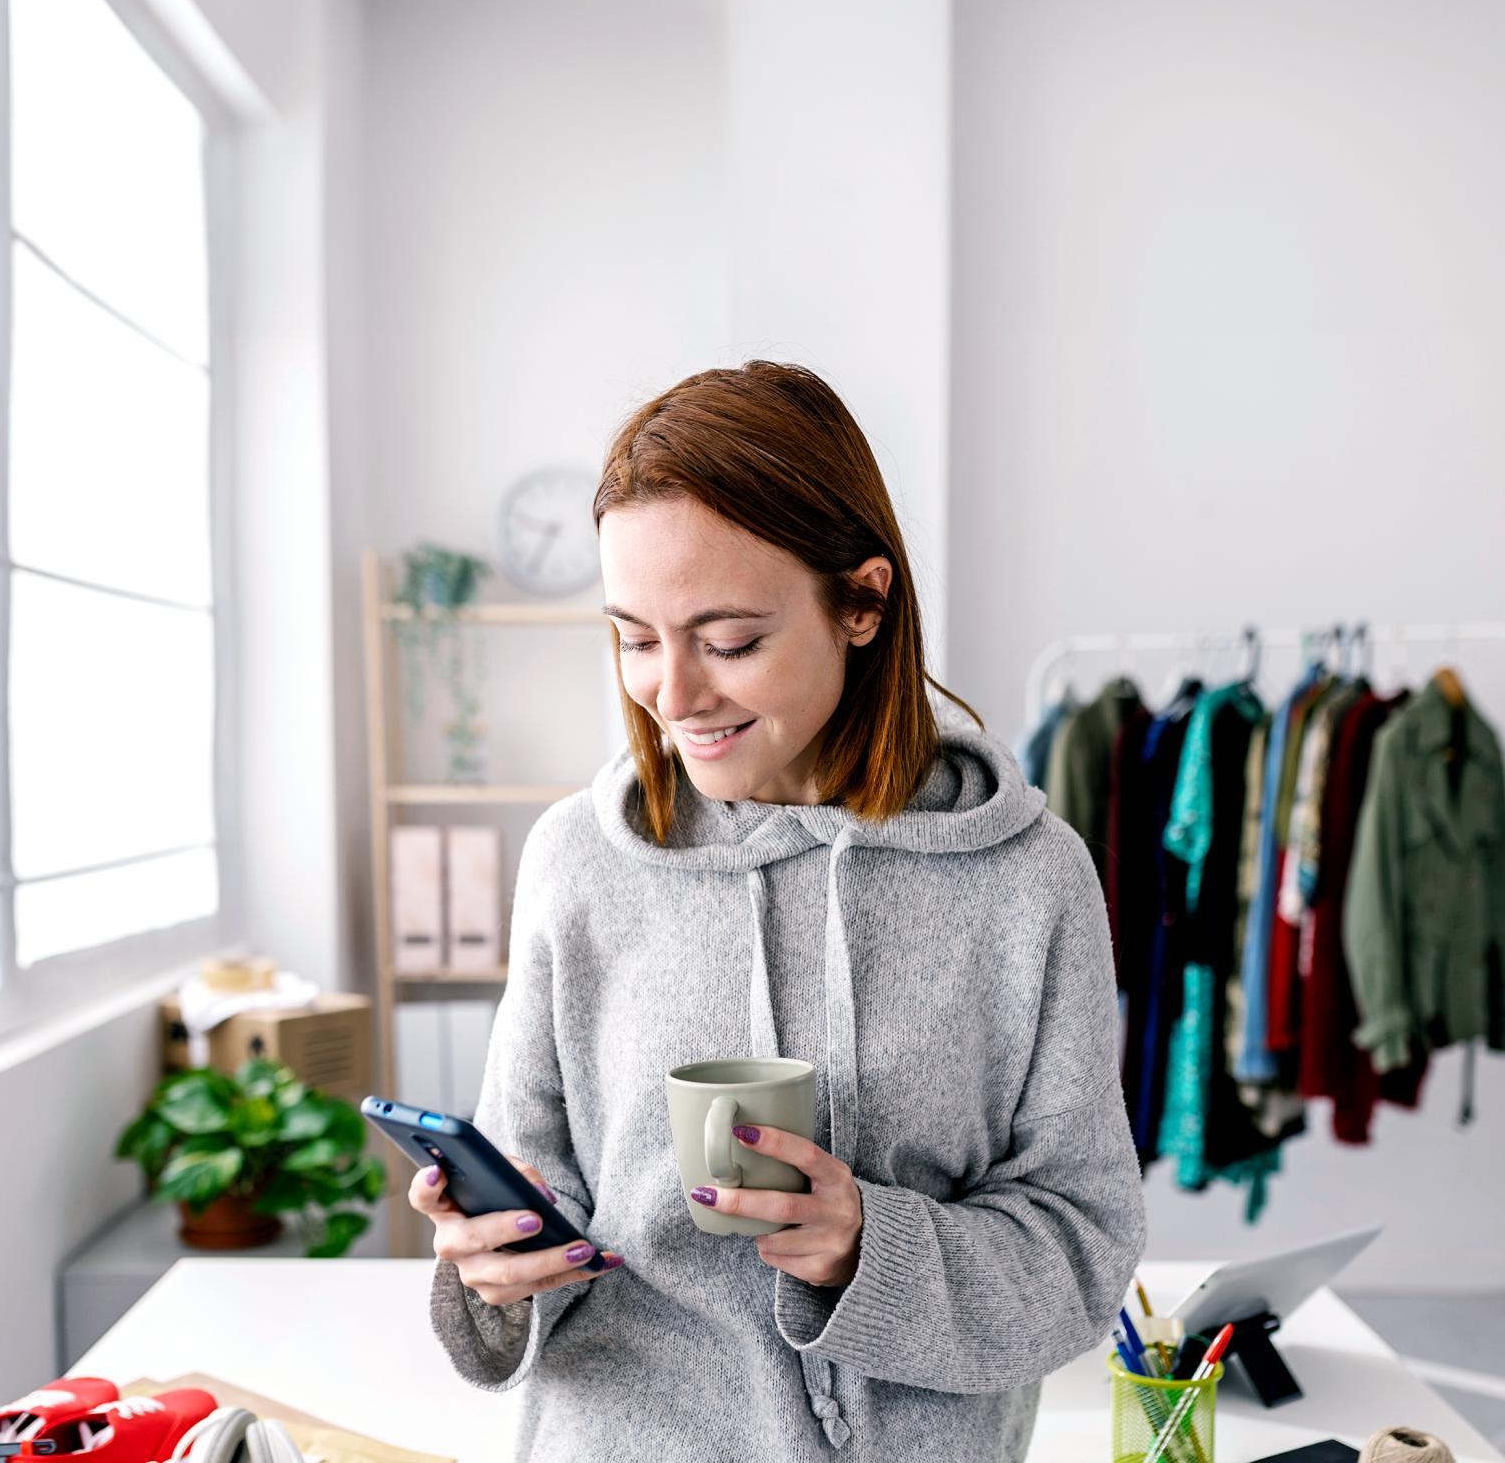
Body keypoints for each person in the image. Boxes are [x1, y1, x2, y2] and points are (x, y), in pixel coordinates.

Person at [410, 361, 1145, 1461]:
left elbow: (1081, 1253)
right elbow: (538, 1189)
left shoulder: (1029, 880)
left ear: (862, 601)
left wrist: (867, 1248)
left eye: (730, 640)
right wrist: (496, 1268)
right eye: (636, 636)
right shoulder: (579, 860)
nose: (672, 694)